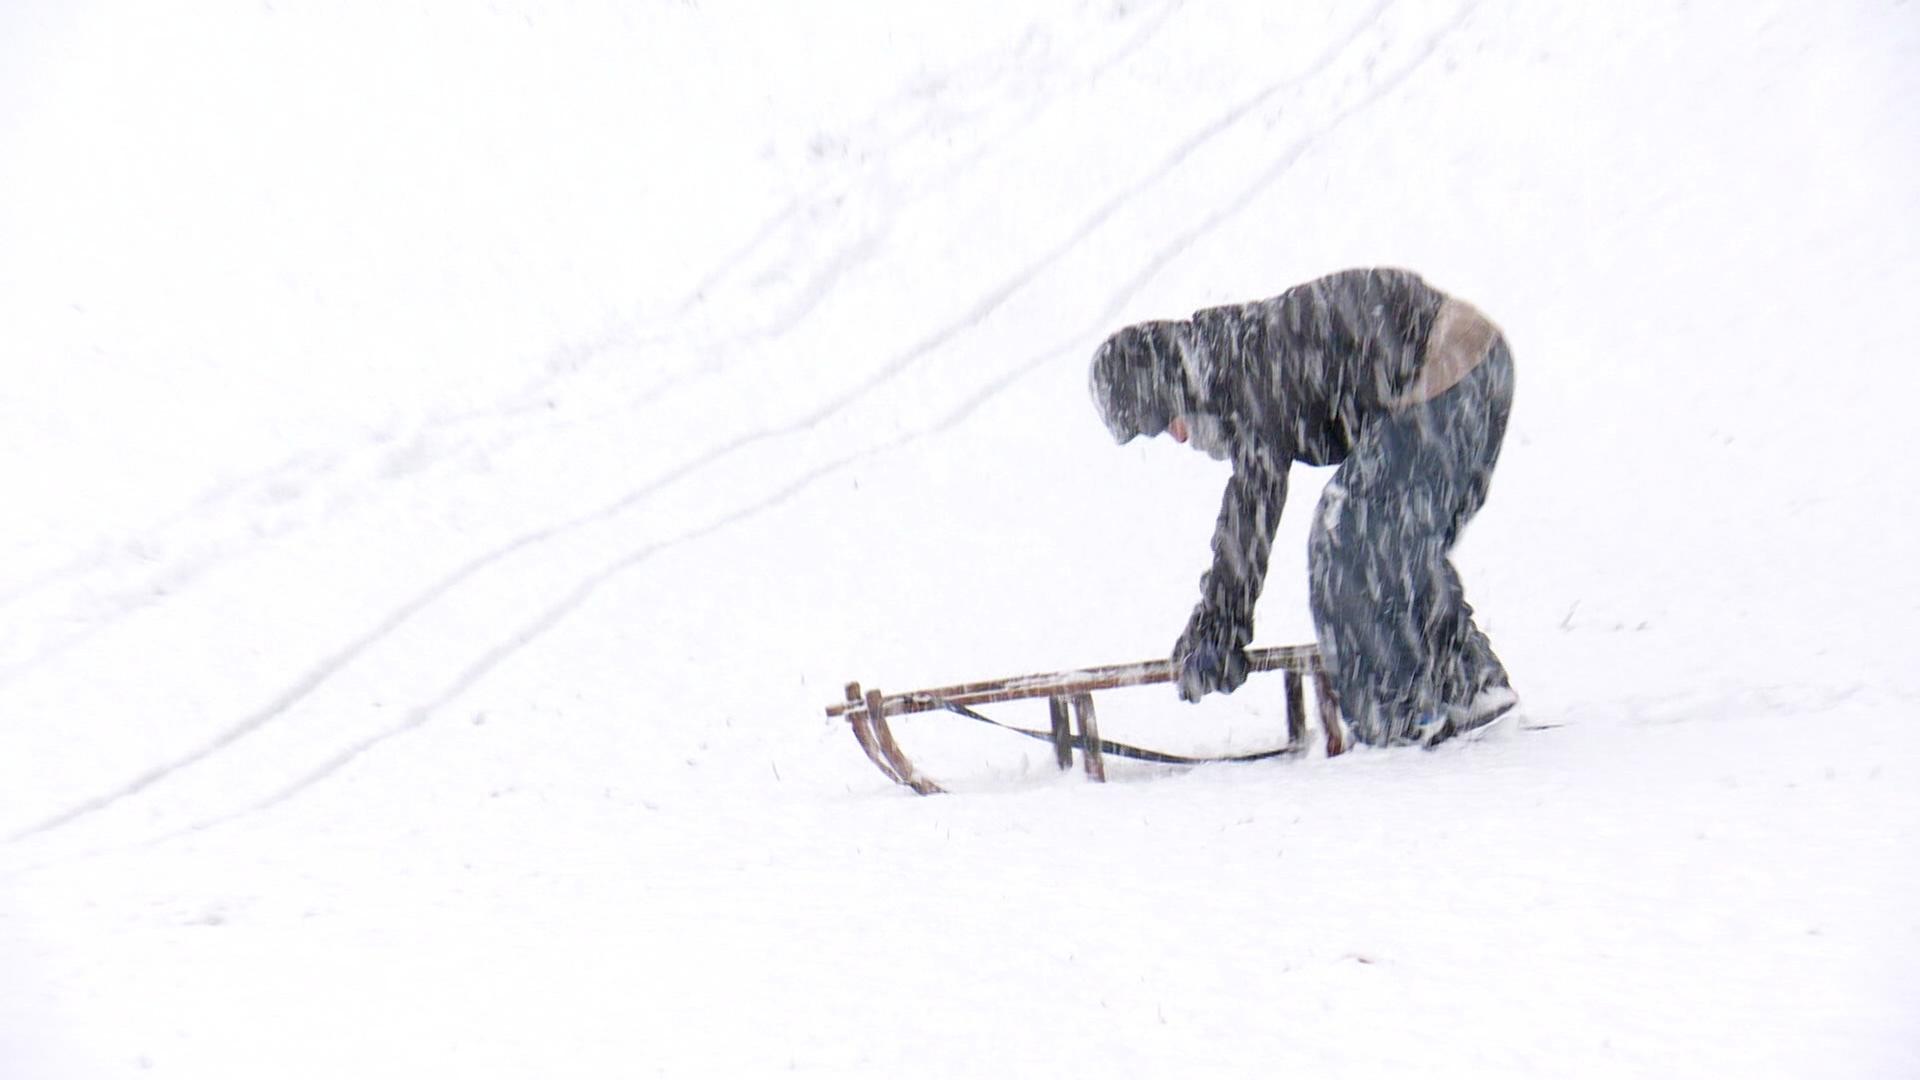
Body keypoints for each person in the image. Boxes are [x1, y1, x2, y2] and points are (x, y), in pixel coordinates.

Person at [1088, 267, 1518, 747]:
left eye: (1164, 422)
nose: (1179, 436)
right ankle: (1471, 687)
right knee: (1387, 540)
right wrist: (1221, 622)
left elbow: (1253, 506)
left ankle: (1401, 717)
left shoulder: (1243, 365)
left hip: (1449, 368)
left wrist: (1221, 625)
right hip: (1476, 367)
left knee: (1347, 536)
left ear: (1170, 389)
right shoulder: (1234, 354)